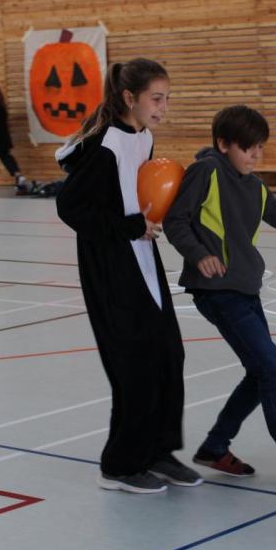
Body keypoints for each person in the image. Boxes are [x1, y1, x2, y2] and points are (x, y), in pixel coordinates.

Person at [164, 105, 276, 492]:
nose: (255, 155)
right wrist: (199, 254)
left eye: (260, 147)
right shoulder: (206, 172)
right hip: (217, 291)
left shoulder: (255, 186)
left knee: (261, 373)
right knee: (273, 371)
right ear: (223, 144)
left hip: (245, 289)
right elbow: (175, 220)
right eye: (248, 148)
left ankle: (214, 447)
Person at [54, 58, 197, 494]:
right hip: (110, 266)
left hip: (143, 257)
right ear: (130, 98)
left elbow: (138, 194)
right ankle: (119, 464)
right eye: (157, 99)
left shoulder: (144, 137)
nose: (163, 107)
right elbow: (70, 207)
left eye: (167, 99)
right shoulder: (104, 145)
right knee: (134, 364)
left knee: (169, 354)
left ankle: (158, 451)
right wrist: (129, 226)